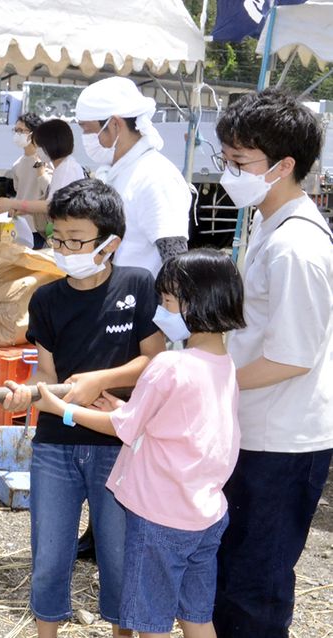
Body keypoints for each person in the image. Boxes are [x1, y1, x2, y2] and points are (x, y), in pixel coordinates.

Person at [5, 248, 244, 638]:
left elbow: (123, 428)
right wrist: (122, 406)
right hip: (205, 514)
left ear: (193, 305)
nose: (159, 313)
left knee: (149, 621)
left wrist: (59, 408)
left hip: (161, 517)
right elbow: (172, 422)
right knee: (196, 616)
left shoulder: (170, 364)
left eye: (167, 302)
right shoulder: (224, 364)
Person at [0, 178, 166, 637]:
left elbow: (156, 360)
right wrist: (27, 394)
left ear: (110, 243)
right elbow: (46, 377)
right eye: (59, 238)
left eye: (77, 240)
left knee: (118, 557)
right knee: (50, 557)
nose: (65, 248)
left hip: (119, 443)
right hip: (56, 445)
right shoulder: (47, 299)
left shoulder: (136, 284)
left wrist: (101, 380)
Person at [211, 89, 333, 638]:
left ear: (284, 166)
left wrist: (212, 385)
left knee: (254, 586)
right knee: (234, 572)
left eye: (239, 163)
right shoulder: (270, 223)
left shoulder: (297, 247)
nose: (228, 173)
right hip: (257, 426)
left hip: (283, 440)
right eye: (226, 159)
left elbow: (291, 356)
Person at [75, 76, 191, 278]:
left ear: (114, 125)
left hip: (143, 304)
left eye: (88, 130)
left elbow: (174, 257)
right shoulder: (116, 172)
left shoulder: (155, 176)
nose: (87, 139)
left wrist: (167, 309)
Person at [0, 112, 52, 248]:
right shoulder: (17, 165)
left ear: (34, 133)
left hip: (39, 228)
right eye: (16, 130)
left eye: (21, 131)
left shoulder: (46, 160)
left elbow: (50, 190)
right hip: (19, 226)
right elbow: (20, 193)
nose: (18, 134)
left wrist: (41, 172)